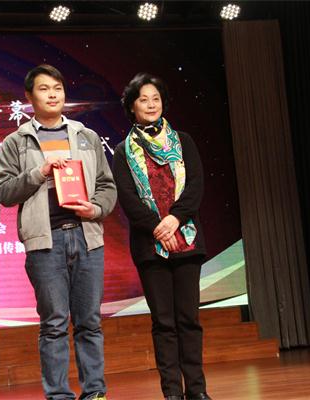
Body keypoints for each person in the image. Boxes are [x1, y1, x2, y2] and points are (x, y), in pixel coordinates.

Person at [0, 64, 116, 400]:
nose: (52, 95)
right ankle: (59, 395)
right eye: (44, 89)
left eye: (58, 88)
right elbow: (4, 191)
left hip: (87, 237)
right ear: (29, 96)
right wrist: (38, 173)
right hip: (45, 241)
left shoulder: (86, 136)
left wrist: (95, 209)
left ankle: (95, 392)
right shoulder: (16, 141)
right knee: (54, 324)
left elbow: (106, 185)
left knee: (89, 321)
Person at [111, 73, 211, 400]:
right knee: (164, 323)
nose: (151, 105)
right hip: (150, 246)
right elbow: (128, 199)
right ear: (132, 106)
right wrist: (158, 227)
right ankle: (172, 393)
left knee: (189, 320)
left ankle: (197, 391)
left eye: (156, 98)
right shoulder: (123, 151)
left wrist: (174, 219)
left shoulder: (183, 141)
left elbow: (195, 185)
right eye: (144, 99)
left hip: (187, 240)